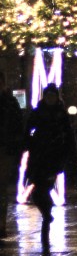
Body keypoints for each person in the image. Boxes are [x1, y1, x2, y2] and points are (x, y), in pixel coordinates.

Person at [24, 84, 75, 244]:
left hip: (53, 158)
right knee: (36, 190)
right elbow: (28, 131)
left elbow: (68, 136)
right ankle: (47, 213)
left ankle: (47, 218)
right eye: (48, 96)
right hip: (38, 157)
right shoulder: (38, 112)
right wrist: (28, 144)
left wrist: (68, 154)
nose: (50, 99)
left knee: (44, 188)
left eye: (53, 96)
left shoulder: (61, 115)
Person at [0, 72, 24, 237]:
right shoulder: (10, 103)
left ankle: (1, 223)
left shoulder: (9, 102)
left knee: (1, 188)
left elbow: (17, 127)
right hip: (6, 148)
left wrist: (15, 147)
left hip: (4, 149)